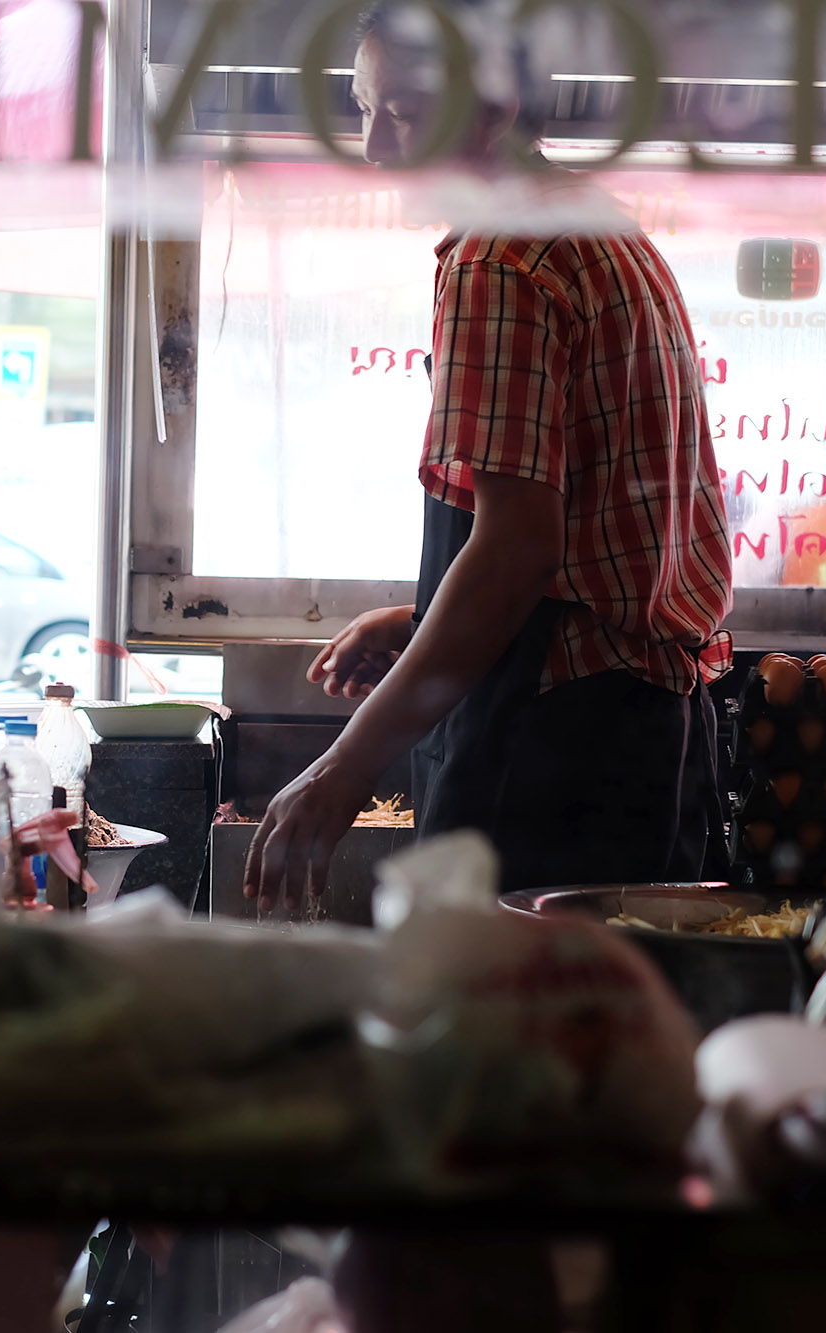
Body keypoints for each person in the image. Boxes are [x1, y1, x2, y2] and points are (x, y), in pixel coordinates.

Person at [245, 4, 734, 910]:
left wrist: (344, 770)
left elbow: (517, 551)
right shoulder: (603, 231)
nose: (375, 150)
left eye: (401, 114)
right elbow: (589, 531)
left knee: (503, 1039)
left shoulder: (498, 261)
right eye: (364, 108)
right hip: (649, 739)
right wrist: (422, 615)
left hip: (552, 753)